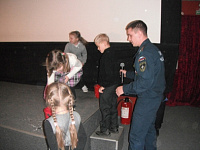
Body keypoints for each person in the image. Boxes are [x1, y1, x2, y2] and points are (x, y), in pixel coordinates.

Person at [116, 20, 165, 150]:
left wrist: (124, 89)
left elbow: (145, 82)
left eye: (130, 35)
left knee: (136, 136)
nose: (128, 39)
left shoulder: (145, 54)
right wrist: (128, 74)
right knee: (148, 130)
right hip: (154, 97)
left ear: (139, 33)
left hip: (148, 98)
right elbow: (148, 75)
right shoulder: (152, 49)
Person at [94, 33, 120, 136]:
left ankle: (104, 130)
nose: (98, 48)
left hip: (108, 86)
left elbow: (108, 73)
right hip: (115, 85)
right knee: (113, 106)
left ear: (103, 43)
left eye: (98, 46)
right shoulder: (113, 53)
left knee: (105, 108)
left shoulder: (106, 56)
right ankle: (114, 127)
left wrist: (103, 86)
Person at [43, 82, 81, 150]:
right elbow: (83, 138)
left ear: (49, 101)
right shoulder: (76, 115)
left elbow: (53, 147)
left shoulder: (49, 123)